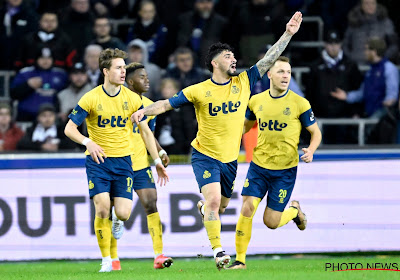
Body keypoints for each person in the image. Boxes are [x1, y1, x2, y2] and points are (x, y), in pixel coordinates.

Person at [132, 12, 303, 270]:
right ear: (214, 63)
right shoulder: (198, 90)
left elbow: (268, 60)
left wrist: (288, 33)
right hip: (204, 155)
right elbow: (166, 104)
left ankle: (208, 213)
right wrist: (144, 111)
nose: (233, 59)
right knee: (213, 202)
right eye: (227, 56)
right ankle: (219, 252)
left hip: (230, 161)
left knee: (219, 207)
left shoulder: (244, 81)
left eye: (234, 56)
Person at [64, 48, 169, 272]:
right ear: (105, 71)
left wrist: (157, 160)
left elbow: (146, 132)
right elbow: (69, 128)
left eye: (124, 67)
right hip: (98, 161)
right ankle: (106, 261)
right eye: (119, 68)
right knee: (102, 207)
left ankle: (118, 221)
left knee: (122, 212)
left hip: (124, 163)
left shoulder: (132, 99)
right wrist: (87, 143)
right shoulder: (91, 98)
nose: (123, 72)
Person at [227, 56, 322, 269]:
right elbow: (246, 125)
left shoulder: (300, 103)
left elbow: (316, 133)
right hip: (259, 167)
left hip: (285, 171)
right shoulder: (256, 100)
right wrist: (227, 136)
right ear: (269, 74)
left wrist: (312, 150)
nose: (285, 76)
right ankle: (240, 260)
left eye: (288, 72)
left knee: (271, 222)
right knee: (247, 208)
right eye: (280, 72)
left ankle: (295, 212)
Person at [111, 62, 173, 269]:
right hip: (118, 164)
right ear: (130, 82)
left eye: (147, 76)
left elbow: (147, 134)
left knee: (151, 203)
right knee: (118, 212)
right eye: (141, 77)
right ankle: (113, 258)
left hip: (140, 164)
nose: (147, 80)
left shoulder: (149, 105)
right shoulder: (116, 103)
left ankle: (159, 255)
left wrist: (160, 151)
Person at [306, 30, 363, 144]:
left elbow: (358, 89)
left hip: (345, 118)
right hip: (321, 117)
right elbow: (310, 93)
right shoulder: (315, 66)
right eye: (330, 43)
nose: (333, 47)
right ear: (325, 44)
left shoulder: (350, 65)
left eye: (336, 43)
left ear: (340, 44)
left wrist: (356, 112)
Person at [331, 37, 399, 119]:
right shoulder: (370, 70)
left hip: (382, 115)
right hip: (369, 112)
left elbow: (392, 95)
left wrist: (387, 104)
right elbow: (363, 92)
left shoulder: (389, 68)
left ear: (374, 51)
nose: (365, 52)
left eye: (367, 49)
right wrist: (347, 96)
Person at [10, 47, 68, 121]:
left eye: (48, 58)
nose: (45, 61)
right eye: (42, 58)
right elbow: (13, 94)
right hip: (26, 116)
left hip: (51, 118)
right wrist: (27, 85)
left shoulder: (61, 74)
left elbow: (65, 94)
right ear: (36, 59)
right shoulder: (25, 73)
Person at [342, 0, 398, 64]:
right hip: (357, 64)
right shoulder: (354, 22)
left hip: (379, 65)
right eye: (367, 3)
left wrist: (382, 58)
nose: (370, 6)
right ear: (361, 5)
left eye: (373, 3)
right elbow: (345, 45)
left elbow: (394, 45)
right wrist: (351, 57)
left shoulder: (385, 22)